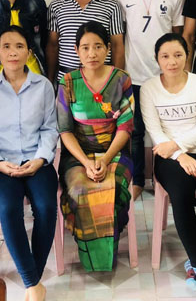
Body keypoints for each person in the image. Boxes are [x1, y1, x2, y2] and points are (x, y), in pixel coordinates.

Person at [0, 25, 58, 301]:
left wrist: (40, 159)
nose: (13, 52)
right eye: (6, 47)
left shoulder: (43, 86)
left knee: (46, 206)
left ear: (29, 52)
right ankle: (34, 284)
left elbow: (50, 128)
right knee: (9, 209)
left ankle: (33, 280)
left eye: (19, 46)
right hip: (2, 166)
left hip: (37, 162)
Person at [140, 33, 196, 301]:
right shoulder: (148, 88)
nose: (172, 61)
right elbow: (155, 131)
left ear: (187, 56)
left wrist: (178, 145)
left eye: (178, 55)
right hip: (168, 157)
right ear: (157, 59)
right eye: (165, 56)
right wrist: (180, 155)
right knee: (182, 195)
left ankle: (194, 260)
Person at [56, 21, 133, 272]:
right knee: (80, 188)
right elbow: (65, 131)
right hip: (78, 154)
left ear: (108, 49)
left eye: (98, 46)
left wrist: (106, 159)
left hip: (115, 152)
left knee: (112, 188)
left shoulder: (121, 79)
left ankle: (106, 252)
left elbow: (125, 127)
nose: (92, 53)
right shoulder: (68, 82)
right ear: (76, 50)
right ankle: (92, 255)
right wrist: (87, 162)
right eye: (86, 47)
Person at [115, 0, 185, 200]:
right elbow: (120, 35)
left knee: (166, 130)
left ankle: (163, 179)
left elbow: (177, 36)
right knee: (134, 132)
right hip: (133, 74)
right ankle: (136, 181)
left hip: (164, 77)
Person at [46, 0, 125, 84]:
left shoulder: (112, 6)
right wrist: (50, 80)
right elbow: (53, 46)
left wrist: (116, 83)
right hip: (67, 81)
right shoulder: (56, 6)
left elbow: (117, 46)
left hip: (102, 82)